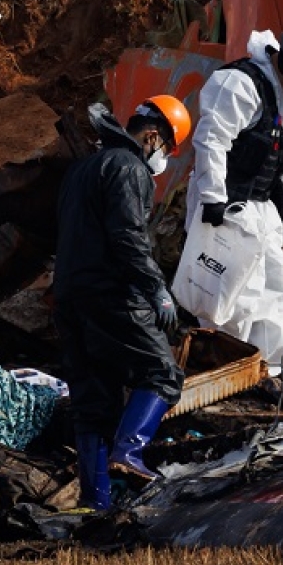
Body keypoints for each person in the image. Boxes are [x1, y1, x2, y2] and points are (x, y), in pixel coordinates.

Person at [54, 94, 192, 511]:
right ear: (152, 137)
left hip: (69, 297)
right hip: (111, 295)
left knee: (93, 403)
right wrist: (157, 292)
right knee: (162, 373)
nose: (163, 159)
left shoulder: (81, 170)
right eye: (166, 149)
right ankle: (128, 454)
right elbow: (128, 238)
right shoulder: (130, 168)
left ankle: (95, 503)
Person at [182, 27, 283, 372]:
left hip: (261, 209)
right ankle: (228, 373)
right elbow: (212, 140)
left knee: (277, 290)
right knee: (233, 300)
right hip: (226, 207)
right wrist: (212, 199)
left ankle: (281, 374)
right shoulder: (240, 84)